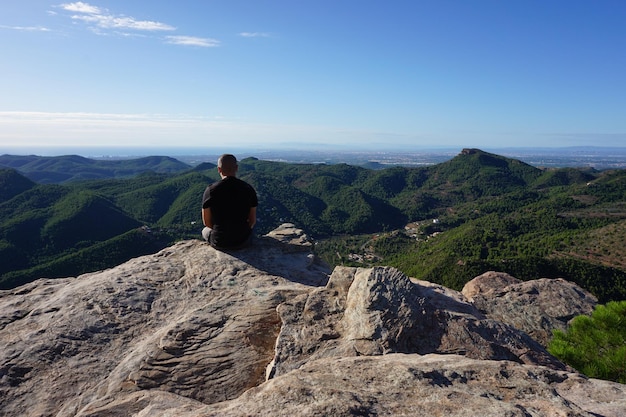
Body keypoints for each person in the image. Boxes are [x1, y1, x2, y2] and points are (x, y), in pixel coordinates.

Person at [201, 154, 258, 249]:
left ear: (219, 169)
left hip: (219, 242)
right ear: (236, 168)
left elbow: (207, 222)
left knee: (205, 231)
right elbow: (252, 221)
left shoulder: (211, 190)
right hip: (243, 241)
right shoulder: (248, 189)